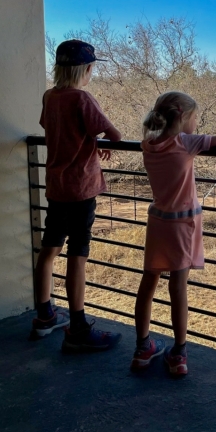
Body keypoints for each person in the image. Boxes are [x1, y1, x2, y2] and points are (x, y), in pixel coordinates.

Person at [131, 91, 216, 376]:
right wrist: (207, 136)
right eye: (195, 117)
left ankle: (142, 347)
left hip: (158, 221)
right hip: (184, 224)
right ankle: (179, 353)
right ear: (184, 117)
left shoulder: (148, 143)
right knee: (177, 286)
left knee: (148, 281)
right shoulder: (187, 143)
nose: (196, 123)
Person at [32, 39, 123, 352]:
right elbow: (115, 134)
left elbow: (53, 128)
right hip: (81, 187)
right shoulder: (82, 99)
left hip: (56, 186)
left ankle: (44, 315)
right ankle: (78, 327)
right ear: (86, 69)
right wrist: (103, 143)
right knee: (78, 252)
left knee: (50, 247)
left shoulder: (50, 97)